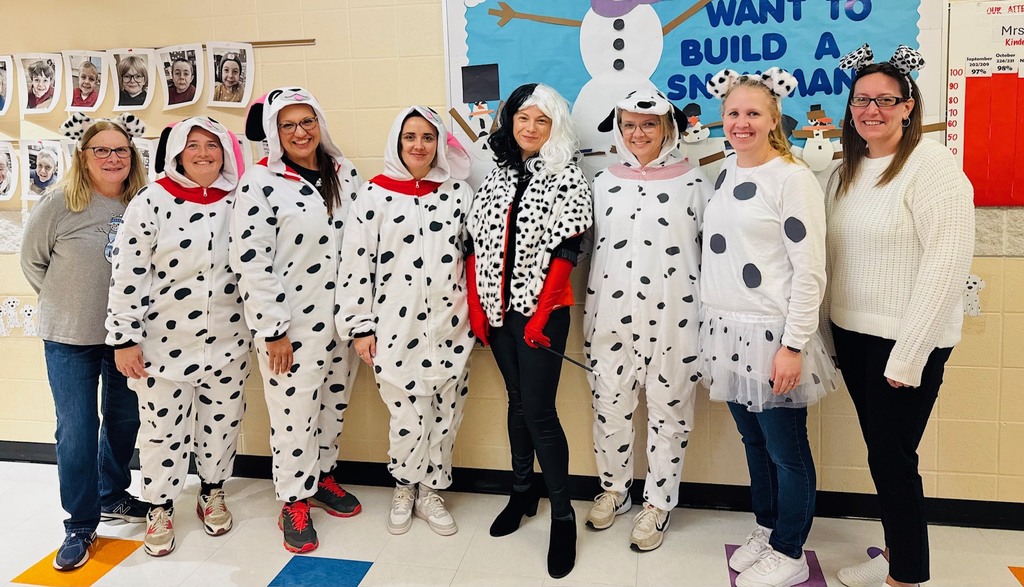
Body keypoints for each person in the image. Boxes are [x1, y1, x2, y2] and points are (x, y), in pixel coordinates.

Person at [827, 45, 975, 587]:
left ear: (908, 105)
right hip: (855, 336)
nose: (872, 110)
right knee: (882, 455)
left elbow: (947, 261)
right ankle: (895, 555)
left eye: (886, 100)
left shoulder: (932, 166)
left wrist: (909, 353)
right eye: (862, 100)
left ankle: (906, 576)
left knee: (892, 461)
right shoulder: (848, 169)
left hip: (904, 341)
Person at [699, 68, 839, 587]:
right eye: (733, 113)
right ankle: (766, 525)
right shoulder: (727, 172)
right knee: (753, 442)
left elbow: (810, 269)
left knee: (786, 451)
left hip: (772, 335)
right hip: (726, 332)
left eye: (753, 113)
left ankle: (791, 548)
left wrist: (793, 345)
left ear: (774, 118)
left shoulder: (793, 178)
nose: (741, 122)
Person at [106, 117, 251, 557]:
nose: (204, 153)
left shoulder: (240, 202)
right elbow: (127, 272)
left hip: (229, 342)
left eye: (212, 145)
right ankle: (160, 506)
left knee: (222, 423)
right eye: (194, 146)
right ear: (176, 153)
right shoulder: (151, 202)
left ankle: (212, 491)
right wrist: (123, 338)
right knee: (161, 432)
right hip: (161, 346)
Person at [466, 82, 592, 579]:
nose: (531, 128)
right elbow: (475, 244)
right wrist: (478, 309)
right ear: (510, 123)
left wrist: (540, 316)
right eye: (523, 119)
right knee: (516, 402)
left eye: (541, 121)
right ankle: (523, 493)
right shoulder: (496, 176)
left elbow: (567, 250)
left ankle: (563, 517)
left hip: (541, 312)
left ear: (554, 126)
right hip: (497, 314)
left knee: (539, 411)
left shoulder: (567, 177)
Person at [232, 87, 363, 554]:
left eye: (307, 121)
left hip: (342, 322)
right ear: (275, 133)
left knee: (333, 404)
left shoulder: (346, 174)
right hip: (290, 327)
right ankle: (293, 498)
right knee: (293, 416)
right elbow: (251, 260)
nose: (300, 132)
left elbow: (364, 245)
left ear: (319, 122)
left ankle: (323, 477)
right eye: (288, 125)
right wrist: (273, 330)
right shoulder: (260, 182)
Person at [21, 113, 150, 572]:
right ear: (84, 156)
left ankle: (112, 494)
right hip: (69, 338)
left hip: (127, 339)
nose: (112, 158)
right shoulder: (60, 203)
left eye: (121, 150)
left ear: (131, 156)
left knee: (123, 418)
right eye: (102, 150)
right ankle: (79, 524)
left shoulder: (143, 203)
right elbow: (32, 262)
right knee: (75, 430)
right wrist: (67, 303)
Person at [337, 106, 474, 537]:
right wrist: (360, 325)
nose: (419, 146)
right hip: (394, 329)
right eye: (410, 137)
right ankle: (404, 485)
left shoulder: (457, 193)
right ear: (398, 142)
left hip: (453, 324)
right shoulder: (373, 196)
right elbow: (356, 262)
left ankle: (432, 491)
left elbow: (474, 259)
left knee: (446, 413)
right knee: (408, 417)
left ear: (439, 145)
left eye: (428, 138)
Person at [583, 89, 711, 552]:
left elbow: (714, 252)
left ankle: (658, 502)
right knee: (610, 406)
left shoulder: (695, 182)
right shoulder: (602, 182)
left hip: (676, 315)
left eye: (649, 124)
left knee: (670, 411)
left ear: (668, 129)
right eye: (630, 124)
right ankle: (615, 490)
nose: (639, 133)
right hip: (609, 313)